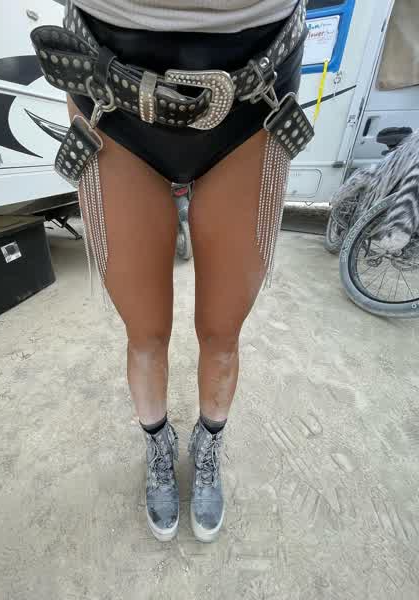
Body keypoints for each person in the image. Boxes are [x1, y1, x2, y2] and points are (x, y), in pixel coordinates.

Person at [33, 0, 308, 543]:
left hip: (256, 83)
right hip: (110, 82)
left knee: (222, 333)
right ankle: (159, 444)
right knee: (145, 333)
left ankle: (208, 445)